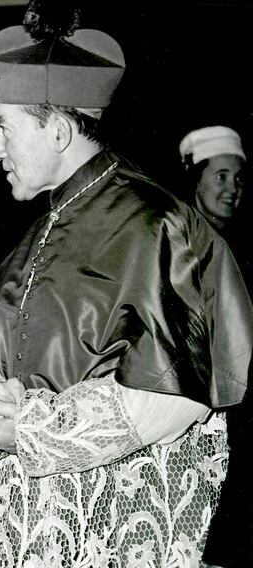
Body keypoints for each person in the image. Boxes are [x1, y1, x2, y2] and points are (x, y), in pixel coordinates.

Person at [0, 11, 253, 568]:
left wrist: (30, 428)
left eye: (4, 127)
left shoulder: (160, 227)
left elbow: (168, 397)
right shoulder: (37, 230)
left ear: (58, 131)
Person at [179, 128, 253, 567]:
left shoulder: (240, 244)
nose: (231, 188)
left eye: (238, 179)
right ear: (196, 178)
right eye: (221, 176)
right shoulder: (180, 239)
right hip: (195, 406)